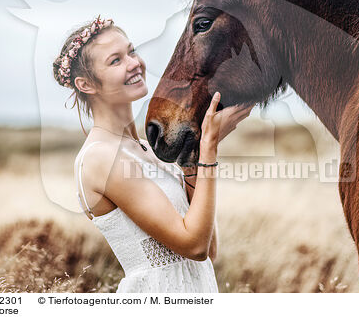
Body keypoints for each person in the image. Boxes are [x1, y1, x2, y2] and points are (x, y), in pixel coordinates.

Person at [52, 16, 253, 293]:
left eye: (131, 51)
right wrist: (209, 147)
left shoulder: (147, 148)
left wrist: (194, 155)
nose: (134, 63)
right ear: (86, 84)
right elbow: (193, 245)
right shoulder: (101, 158)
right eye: (116, 61)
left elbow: (209, 248)